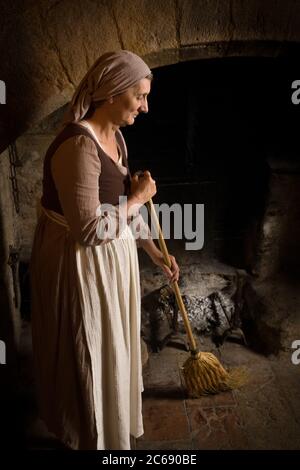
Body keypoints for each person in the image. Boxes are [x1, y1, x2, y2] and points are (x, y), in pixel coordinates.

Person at [30, 50, 179, 450]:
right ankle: (86, 434)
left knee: (111, 348)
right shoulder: (79, 145)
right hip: (80, 265)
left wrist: (152, 250)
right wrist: (140, 197)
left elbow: (120, 208)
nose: (145, 107)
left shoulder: (116, 137)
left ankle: (110, 424)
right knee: (87, 350)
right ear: (113, 92)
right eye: (140, 96)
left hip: (109, 262)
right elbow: (91, 228)